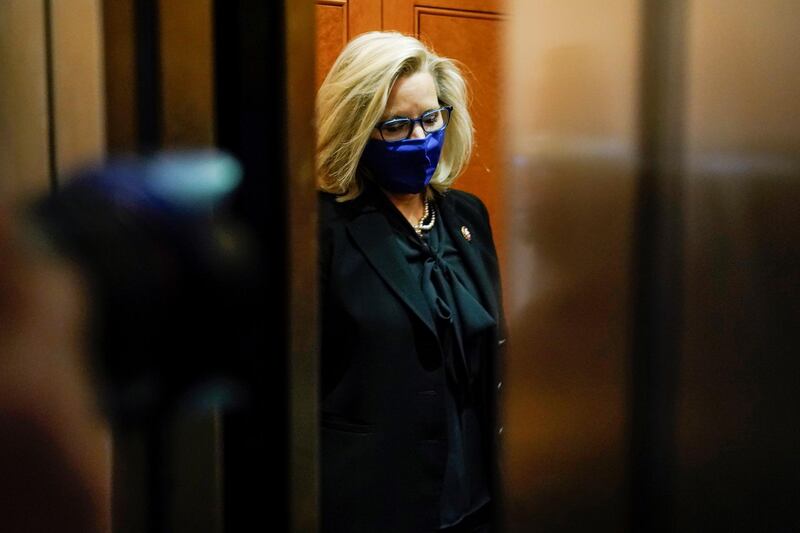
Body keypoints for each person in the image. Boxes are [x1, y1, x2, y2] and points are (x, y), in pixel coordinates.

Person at [317, 31, 506, 533]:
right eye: (396, 126)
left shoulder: (468, 216)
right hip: (375, 501)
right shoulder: (321, 231)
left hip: (477, 496)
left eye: (430, 118)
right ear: (357, 129)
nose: (420, 138)